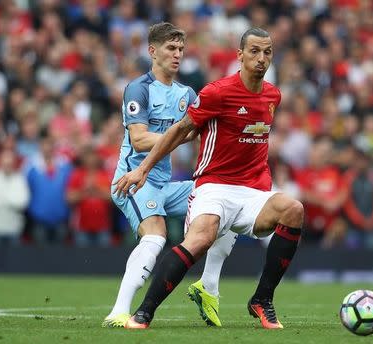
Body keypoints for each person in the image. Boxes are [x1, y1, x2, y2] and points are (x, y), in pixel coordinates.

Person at [114, 27, 304, 330]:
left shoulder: (273, 95)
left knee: (294, 210)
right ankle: (143, 312)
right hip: (213, 185)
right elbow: (179, 131)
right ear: (240, 55)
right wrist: (143, 169)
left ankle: (261, 300)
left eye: (267, 52)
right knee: (200, 238)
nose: (261, 58)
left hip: (253, 190)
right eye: (254, 51)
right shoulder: (217, 92)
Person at [103, 22, 238, 328]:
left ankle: (208, 287)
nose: (177, 55)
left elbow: (205, 129)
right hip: (134, 180)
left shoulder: (186, 93)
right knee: (156, 236)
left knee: (227, 203)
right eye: (170, 48)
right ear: (153, 51)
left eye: (180, 49)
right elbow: (138, 139)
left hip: (165, 183)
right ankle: (119, 311)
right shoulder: (139, 88)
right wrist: (181, 135)